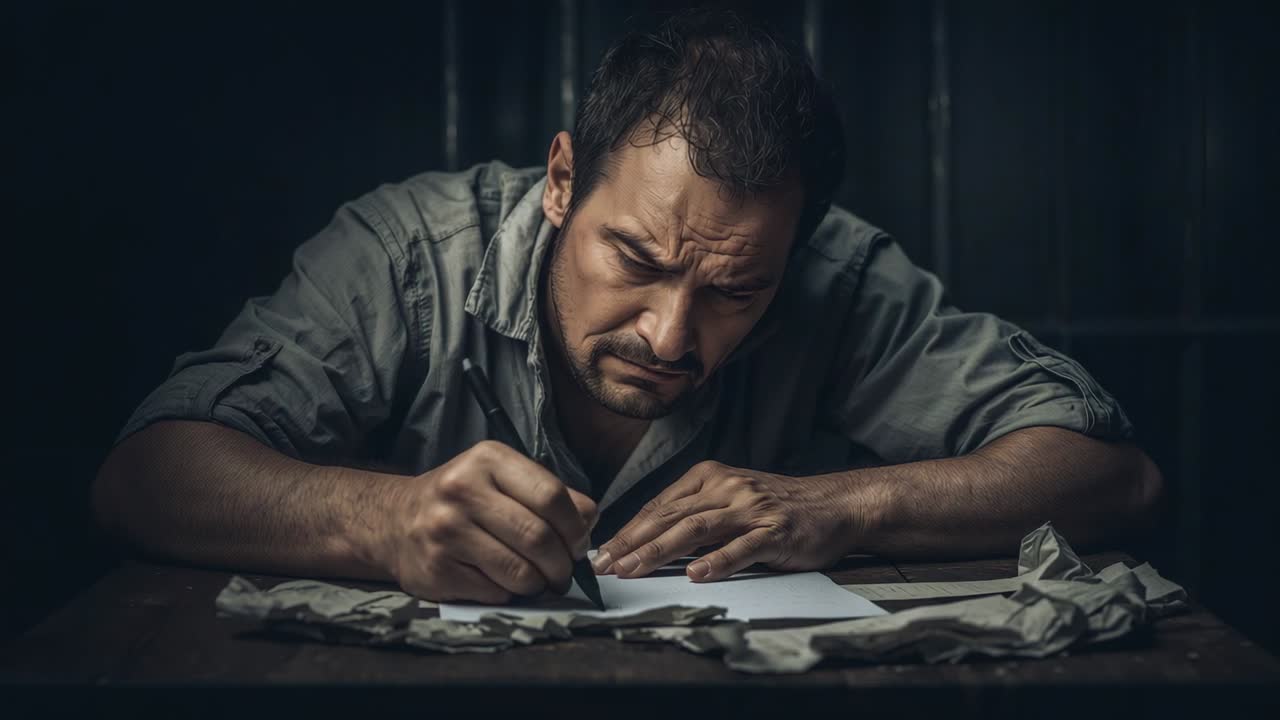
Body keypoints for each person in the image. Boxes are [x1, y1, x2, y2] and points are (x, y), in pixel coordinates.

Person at [94, 10, 1162, 604]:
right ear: (561, 182)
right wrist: (382, 521)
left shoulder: (834, 272)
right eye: (636, 256)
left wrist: (842, 505)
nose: (668, 333)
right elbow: (144, 475)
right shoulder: (407, 252)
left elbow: (1110, 473)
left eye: (734, 290)